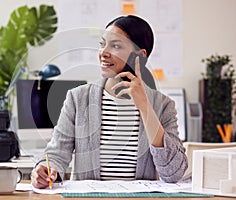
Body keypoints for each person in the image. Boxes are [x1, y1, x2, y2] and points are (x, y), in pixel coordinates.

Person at [31, 15, 188, 189]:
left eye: (115, 46)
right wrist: (45, 169)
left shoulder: (163, 105)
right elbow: (56, 154)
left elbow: (173, 173)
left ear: (140, 56)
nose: (103, 53)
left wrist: (144, 106)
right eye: (102, 44)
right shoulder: (78, 98)